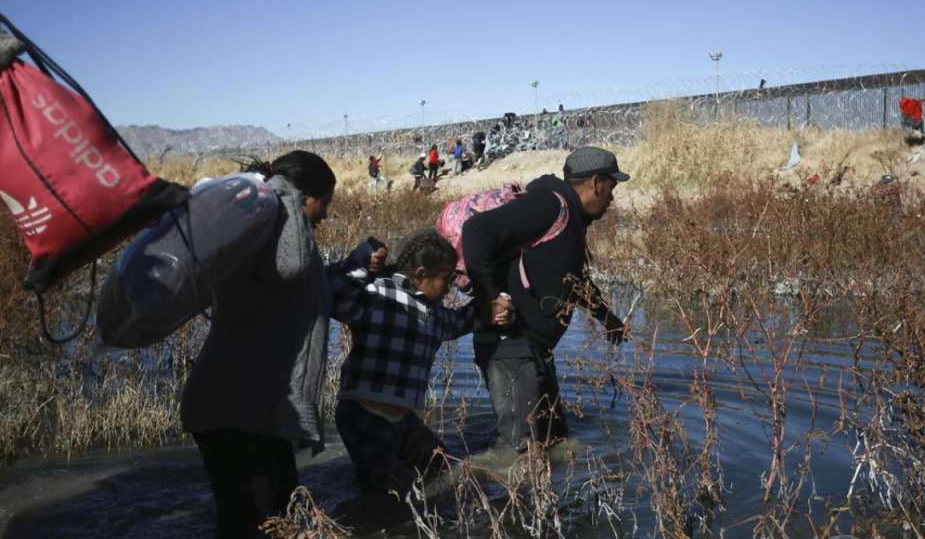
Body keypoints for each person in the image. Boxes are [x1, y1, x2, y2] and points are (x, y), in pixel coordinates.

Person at [181, 150, 346, 539]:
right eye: (325, 203)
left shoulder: (277, 238)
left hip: (255, 410)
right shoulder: (275, 233)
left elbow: (305, 285)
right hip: (232, 409)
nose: (325, 214)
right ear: (305, 197)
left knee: (281, 515)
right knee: (251, 525)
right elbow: (290, 269)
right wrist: (283, 190)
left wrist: (354, 263)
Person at [461, 146, 630, 452]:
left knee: (553, 443)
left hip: (533, 349)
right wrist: (489, 299)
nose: (611, 198)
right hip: (510, 347)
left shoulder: (569, 218)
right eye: (611, 187)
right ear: (595, 182)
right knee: (518, 457)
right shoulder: (548, 204)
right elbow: (477, 230)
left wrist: (607, 317)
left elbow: (572, 280)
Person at [328, 230, 513, 496]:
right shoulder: (379, 294)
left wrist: (495, 307)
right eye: (446, 279)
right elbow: (336, 293)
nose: (450, 286)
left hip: (401, 418)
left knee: (442, 468)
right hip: (364, 414)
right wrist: (360, 258)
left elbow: (460, 321)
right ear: (422, 273)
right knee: (383, 494)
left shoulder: (433, 313)